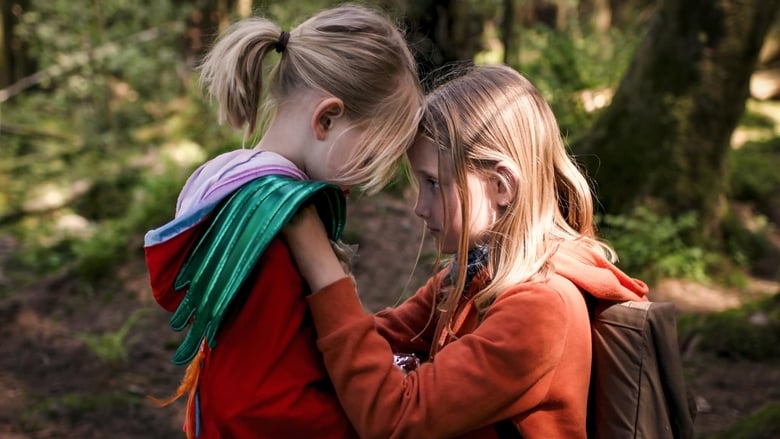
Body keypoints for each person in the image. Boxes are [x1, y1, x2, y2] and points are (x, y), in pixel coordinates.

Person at [283, 64, 649, 438]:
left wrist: (324, 271)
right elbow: (371, 342)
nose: (420, 208)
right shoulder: (467, 278)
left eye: (433, 184)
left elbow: (395, 419)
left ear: (502, 186)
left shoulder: (541, 308)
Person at [143, 5, 422, 438]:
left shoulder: (231, 181)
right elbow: (261, 400)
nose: (367, 180)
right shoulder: (275, 229)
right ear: (327, 119)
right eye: (369, 158)